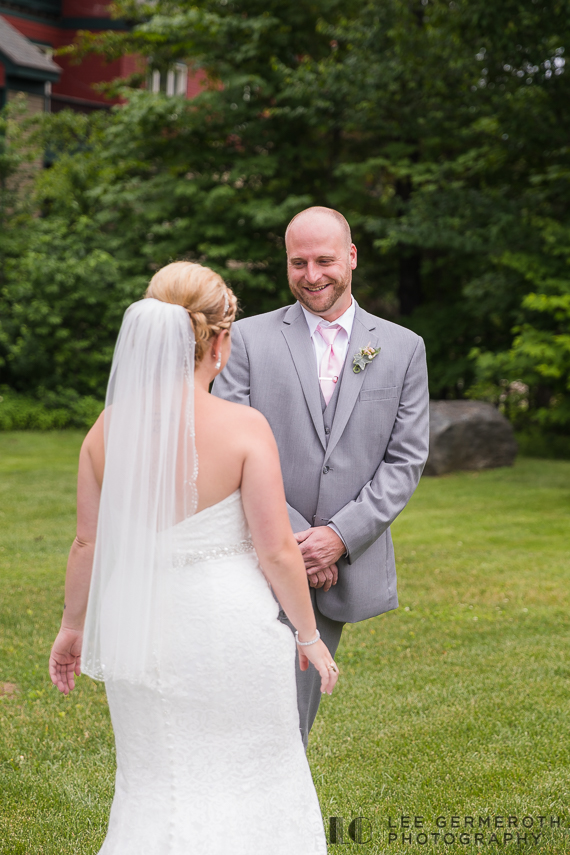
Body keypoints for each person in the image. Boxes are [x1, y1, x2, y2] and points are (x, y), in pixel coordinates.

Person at [49, 261, 339, 855]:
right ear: (220, 339)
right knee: (252, 778)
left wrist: (72, 627)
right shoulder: (243, 426)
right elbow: (277, 548)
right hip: (228, 628)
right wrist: (308, 635)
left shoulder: (106, 430)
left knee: (157, 780)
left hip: (141, 627)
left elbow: (88, 542)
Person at [213, 206, 429, 747]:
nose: (312, 276)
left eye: (325, 260)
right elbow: (226, 447)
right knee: (246, 707)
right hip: (252, 553)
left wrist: (336, 538)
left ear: (351, 257)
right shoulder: (244, 341)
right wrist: (294, 541)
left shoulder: (403, 348)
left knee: (292, 719)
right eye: (298, 262)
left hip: (339, 565)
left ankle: (273, 818)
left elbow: (405, 460)